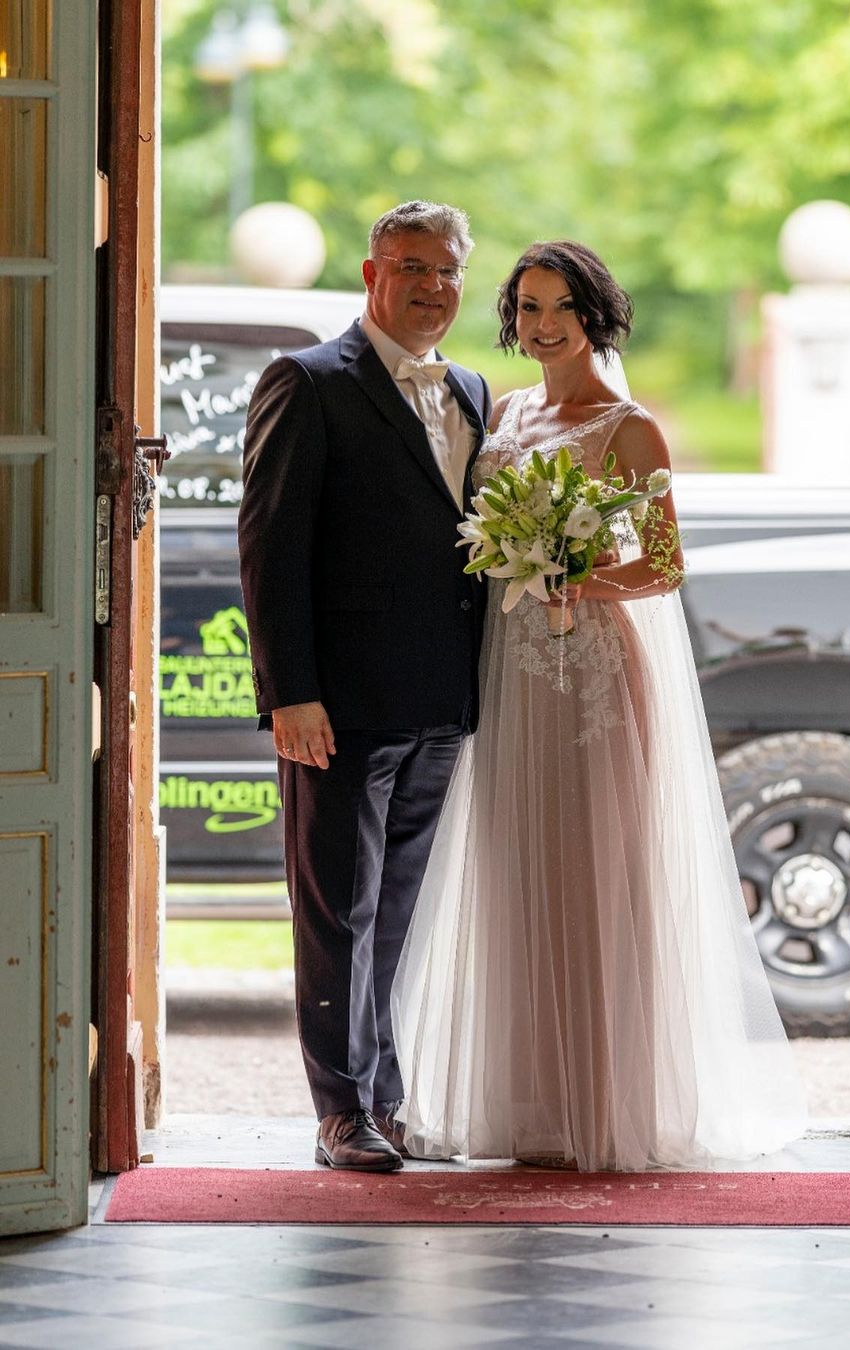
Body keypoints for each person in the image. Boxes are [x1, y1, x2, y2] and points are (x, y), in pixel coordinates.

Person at [392, 241, 807, 1170]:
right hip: (508, 677)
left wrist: (571, 572)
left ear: (594, 316)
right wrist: (516, 563)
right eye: (528, 309)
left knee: (594, 876)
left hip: (591, 679)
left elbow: (663, 564)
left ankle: (604, 1105)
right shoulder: (504, 413)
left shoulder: (629, 428)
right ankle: (527, 1104)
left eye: (558, 309)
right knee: (512, 872)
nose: (541, 327)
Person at [238, 201, 492, 1172]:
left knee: (405, 911)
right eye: (413, 268)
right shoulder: (307, 382)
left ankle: (387, 1097)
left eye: (449, 271)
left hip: (441, 700)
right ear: (371, 272)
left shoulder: (470, 388)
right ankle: (337, 1111)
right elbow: (270, 548)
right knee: (337, 905)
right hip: (337, 707)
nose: (433, 288)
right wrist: (290, 693)